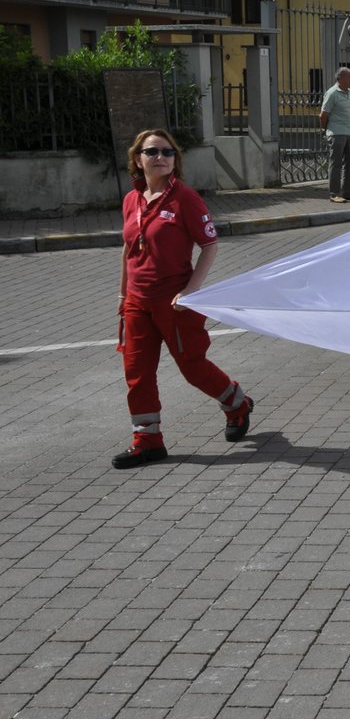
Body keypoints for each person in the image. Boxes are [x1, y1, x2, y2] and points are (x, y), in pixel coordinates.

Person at [114, 129, 254, 469]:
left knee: (192, 367)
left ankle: (236, 404)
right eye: (152, 152)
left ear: (175, 160)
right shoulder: (131, 199)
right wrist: (122, 294)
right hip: (137, 301)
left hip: (175, 301)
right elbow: (128, 249)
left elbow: (209, 245)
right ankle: (147, 441)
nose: (160, 157)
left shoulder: (185, 199)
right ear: (138, 159)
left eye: (168, 152)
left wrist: (191, 291)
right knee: (137, 372)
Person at [319, 66, 350, 203]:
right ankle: (334, 193)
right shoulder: (332, 93)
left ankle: (348, 191)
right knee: (336, 164)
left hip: (349, 132)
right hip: (336, 133)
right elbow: (323, 115)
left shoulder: (349, 91)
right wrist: (327, 130)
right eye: (349, 77)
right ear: (341, 78)